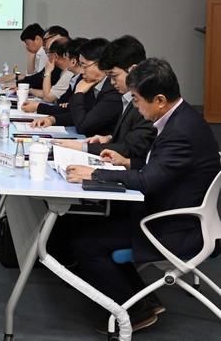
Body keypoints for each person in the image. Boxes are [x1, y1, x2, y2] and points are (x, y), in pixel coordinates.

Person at [65, 58, 221, 333]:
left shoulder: (179, 132)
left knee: (87, 244)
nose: (134, 106)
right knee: (91, 226)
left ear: (159, 100)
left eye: (136, 100)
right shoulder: (182, 118)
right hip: (176, 212)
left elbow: (148, 181)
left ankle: (134, 311)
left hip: (175, 226)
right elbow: (161, 168)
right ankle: (143, 298)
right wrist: (126, 162)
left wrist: (95, 173)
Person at [53, 36, 155, 159]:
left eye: (114, 75)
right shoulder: (128, 97)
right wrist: (110, 138)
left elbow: (134, 148)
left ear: (133, 70)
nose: (112, 82)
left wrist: (83, 147)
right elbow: (129, 135)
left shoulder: (146, 102)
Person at [32, 38, 122, 137]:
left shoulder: (113, 91)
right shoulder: (94, 84)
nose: (82, 71)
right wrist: (52, 119)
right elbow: (78, 115)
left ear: (102, 64)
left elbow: (83, 125)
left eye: (84, 66)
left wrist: (79, 93)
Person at [21, 37, 87, 115]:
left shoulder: (72, 75)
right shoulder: (73, 77)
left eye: (66, 55)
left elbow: (48, 97)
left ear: (73, 62)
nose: (65, 58)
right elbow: (61, 101)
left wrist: (47, 72)